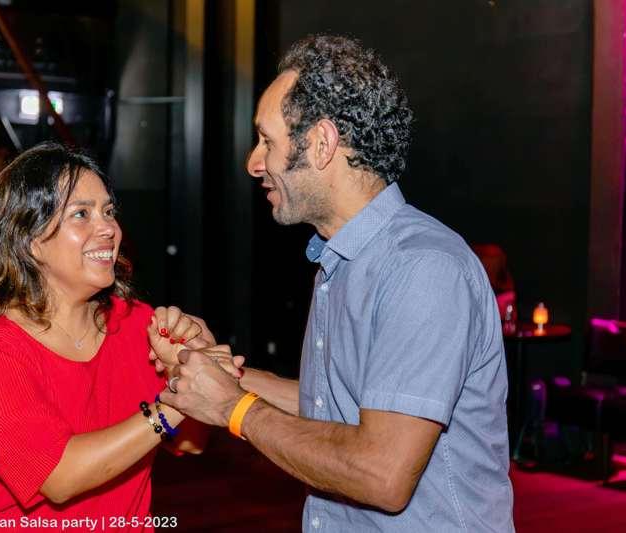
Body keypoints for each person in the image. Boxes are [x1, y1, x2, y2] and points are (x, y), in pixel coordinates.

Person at [157, 35, 514, 531]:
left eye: (267, 141)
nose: (253, 163)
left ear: (322, 143)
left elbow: (381, 474)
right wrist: (217, 373)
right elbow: (332, 408)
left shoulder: (422, 267)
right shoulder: (343, 260)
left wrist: (234, 408)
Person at [0, 143, 241, 531]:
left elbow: (191, 443)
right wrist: (180, 398)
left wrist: (189, 366)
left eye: (108, 211)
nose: (108, 228)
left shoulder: (137, 324)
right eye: (81, 214)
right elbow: (59, 477)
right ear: (31, 239)